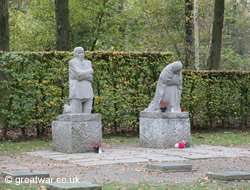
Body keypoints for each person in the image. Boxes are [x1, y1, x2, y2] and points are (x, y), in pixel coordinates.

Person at [64, 47, 93, 113]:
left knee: (88, 117)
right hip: (77, 91)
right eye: (79, 52)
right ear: (74, 54)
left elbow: (90, 77)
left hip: (88, 90)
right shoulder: (72, 62)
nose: (81, 54)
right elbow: (78, 75)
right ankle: (67, 109)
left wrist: (83, 74)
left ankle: (68, 109)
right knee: (75, 116)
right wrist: (88, 73)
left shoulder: (88, 63)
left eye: (82, 52)